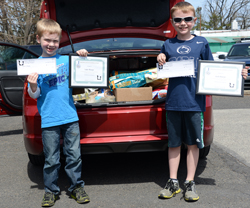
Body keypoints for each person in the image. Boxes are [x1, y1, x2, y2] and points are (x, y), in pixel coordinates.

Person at [157, 1, 248, 202]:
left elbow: (214, 70)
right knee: (173, 144)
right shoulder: (168, 44)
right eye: (178, 20)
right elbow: (160, 68)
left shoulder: (201, 42)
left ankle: (189, 182)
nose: (183, 23)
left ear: (194, 20)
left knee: (192, 145)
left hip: (194, 104)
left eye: (187, 19)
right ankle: (173, 182)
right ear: (172, 22)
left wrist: (237, 74)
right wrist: (160, 57)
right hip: (173, 103)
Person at [27, 18, 90, 207]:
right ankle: (50, 190)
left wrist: (82, 57)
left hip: (70, 117)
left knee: (74, 155)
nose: (51, 44)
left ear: (60, 41)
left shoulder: (66, 60)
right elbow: (34, 94)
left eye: (55, 41)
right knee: (51, 158)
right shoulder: (34, 66)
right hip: (49, 119)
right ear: (38, 39)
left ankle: (76, 187)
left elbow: (84, 74)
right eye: (47, 40)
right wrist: (31, 83)